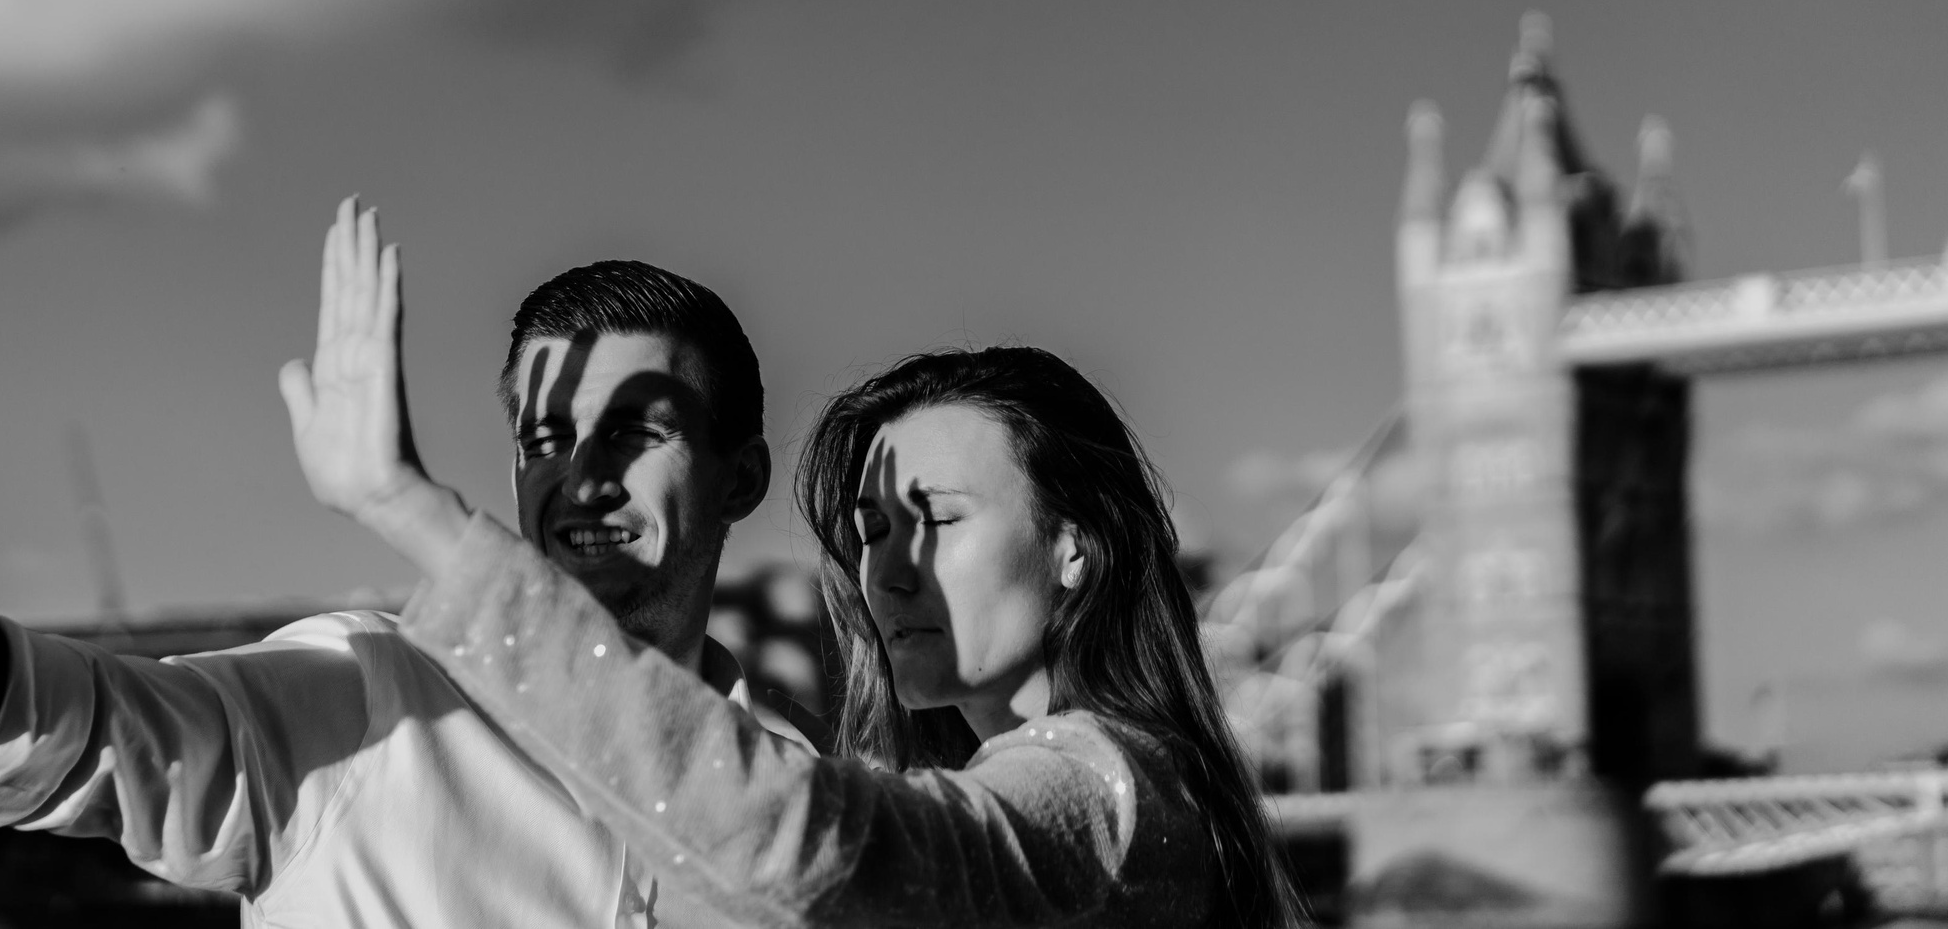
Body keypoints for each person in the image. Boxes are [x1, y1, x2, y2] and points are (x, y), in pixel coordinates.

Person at [0, 17, 808, 929]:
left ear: (741, 475)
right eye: (545, 438)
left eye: (636, 429)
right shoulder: (355, 702)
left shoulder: (814, 804)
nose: (580, 474)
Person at [291, 202, 1296, 927]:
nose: (889, 569)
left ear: (1076, 546)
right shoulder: (1015, 789)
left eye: (938, 517)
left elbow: (800, 844)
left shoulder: (1101, 792)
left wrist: (410, 510)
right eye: (869, 527)